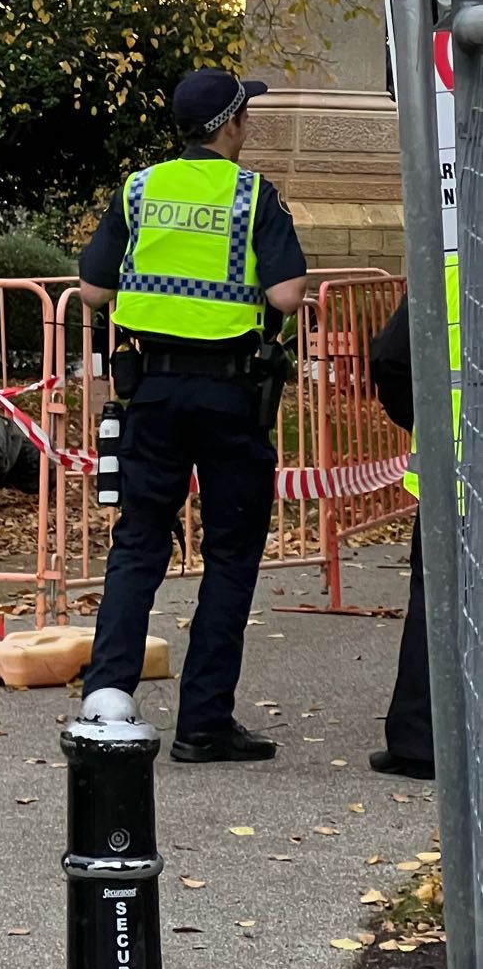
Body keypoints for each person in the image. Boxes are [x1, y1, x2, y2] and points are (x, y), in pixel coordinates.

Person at [76, 69, 308, 761]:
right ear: (232, 124)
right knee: (231, 555)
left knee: (140, 540)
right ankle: (203, 723)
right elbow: (289, 294)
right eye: (247, 117)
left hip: (151, 391)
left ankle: (108, 700)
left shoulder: (140, 189)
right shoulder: (252, 195)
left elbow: (91, 287)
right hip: (232, 397)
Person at [365, 268, 446, 781]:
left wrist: (429, 419)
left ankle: (419, 740)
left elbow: (391, 358)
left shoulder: (451, 262)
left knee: (435, 601)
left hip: (455, 472)